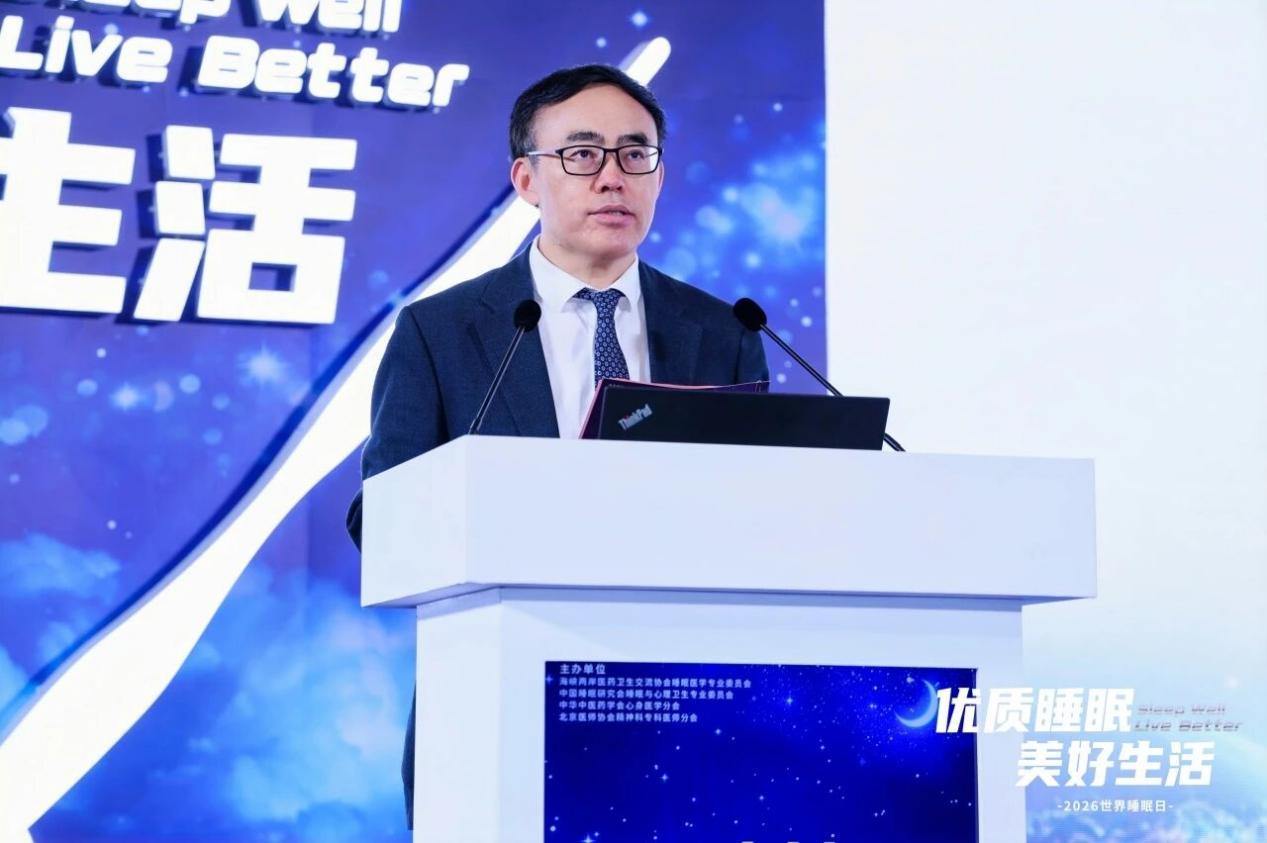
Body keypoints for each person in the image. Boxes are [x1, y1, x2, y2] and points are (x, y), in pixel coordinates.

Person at [346, 63, 768, 828]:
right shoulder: (442, 331)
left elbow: (759, 510)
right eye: (580, 154)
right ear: (525, 180)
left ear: (659, 174)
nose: (612, 177)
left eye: (634, 153)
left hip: (685, 699)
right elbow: (381, 515)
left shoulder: (722, 331)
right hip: (495, 693)